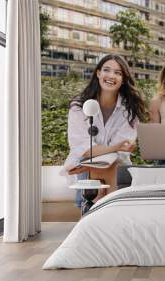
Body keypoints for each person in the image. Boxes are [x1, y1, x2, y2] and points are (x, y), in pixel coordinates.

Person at [62, 54, 146, 207]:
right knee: (94, 181)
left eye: (118, 73)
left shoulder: (130, 110)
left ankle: (96, 213)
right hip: (84, 163)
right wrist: (114, 147)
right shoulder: (79, 106)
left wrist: (111, 151)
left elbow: (121, 151)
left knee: (109, 171)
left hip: (115, 164)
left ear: (123, 79)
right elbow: (84, 149)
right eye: (107, 70)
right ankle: (98, 212)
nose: (111, 76)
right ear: (98, 73)